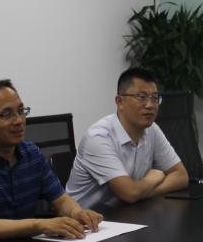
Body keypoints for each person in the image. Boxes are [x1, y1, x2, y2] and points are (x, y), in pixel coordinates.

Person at [0, 79, 102, 242]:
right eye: (7, 114)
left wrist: (77, 213)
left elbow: (61, 200)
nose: (19, 121)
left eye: (21, 111)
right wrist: (40, 225)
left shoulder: (31, 153)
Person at [66, 67, 188, 209]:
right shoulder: (98, 137)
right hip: (83, 219)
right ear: (120, 102)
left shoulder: (151, 129)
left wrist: (144, 193)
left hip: (126, 213)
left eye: (155, 98)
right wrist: (152, 178)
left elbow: (181, 176)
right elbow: (129, 193)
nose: (150, 105)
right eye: (141, 97)